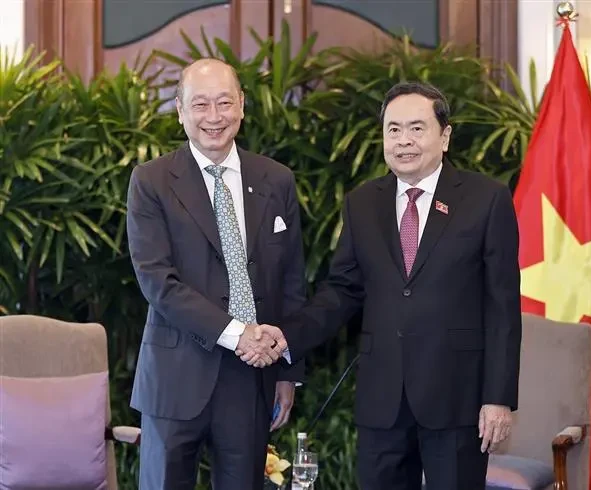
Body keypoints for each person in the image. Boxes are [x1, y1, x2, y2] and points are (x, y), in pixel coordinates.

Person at [239, 82, 522, 490]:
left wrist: (498, 397)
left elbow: (502, 306)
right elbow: (343, 291)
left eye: (416, 128)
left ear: (444, 136)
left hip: (457, 395)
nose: (403, 141)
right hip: (382, 396)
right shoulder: (362, 202)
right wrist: (286, 336)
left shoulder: (486, 199)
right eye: (393, 129)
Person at [126, 58, 305, 490]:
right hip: (176, 376)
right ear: (181, 109)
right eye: (200, 104)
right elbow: (158, 282)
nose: (214, 116)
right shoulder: (151, 181)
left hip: (252, 380)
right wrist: (236, 333)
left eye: (224, 102)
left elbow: (291, 280)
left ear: (242, 105)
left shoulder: (276, 180)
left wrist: (287, 369)